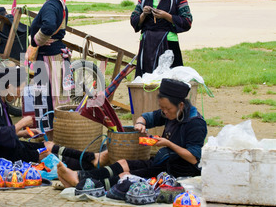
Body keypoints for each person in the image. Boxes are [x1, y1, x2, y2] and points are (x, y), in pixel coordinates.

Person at [57, 78, 207, 188]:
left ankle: (81, 184)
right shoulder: (171, 113)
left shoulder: (195, 123)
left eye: (168, 109)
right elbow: (149, 117)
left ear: (181, 105)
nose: (165, 112)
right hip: (164, 161)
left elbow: (194, 158)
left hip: (179, 170)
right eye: (162, 108)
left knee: (126, 176)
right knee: (122, 163)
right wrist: (141, 123)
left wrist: (168, 143)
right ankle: (79, 176)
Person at [27, 0, 71, 136]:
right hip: (56, 55)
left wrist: (36, 41)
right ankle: (57, 131)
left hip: (48, 57)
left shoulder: (50, 6)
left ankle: (47, 133)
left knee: (45, 97)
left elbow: (49, 26)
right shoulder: (59, 4)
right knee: (56, 95)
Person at [130, 0, 193, 77]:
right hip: (147, 45)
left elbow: (187, 21)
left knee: (170, 83)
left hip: (169, 45)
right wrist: (143, 15)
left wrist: (166, 16)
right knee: (146, 80)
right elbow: (134, 20)